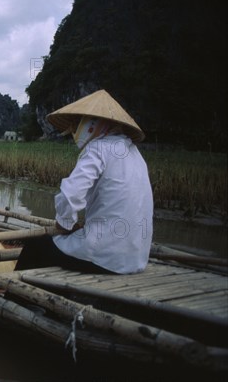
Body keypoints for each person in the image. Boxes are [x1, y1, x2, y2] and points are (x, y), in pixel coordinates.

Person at [15, 89, 153, 274]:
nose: (74, 130)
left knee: (35, 245)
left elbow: (71, 195)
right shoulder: (136, 154)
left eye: (79, 123)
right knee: (62, 244)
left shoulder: (98, 148)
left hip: (104, 255)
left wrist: (64, 224)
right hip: (136, 258)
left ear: (94, 122)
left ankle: (17, 296)